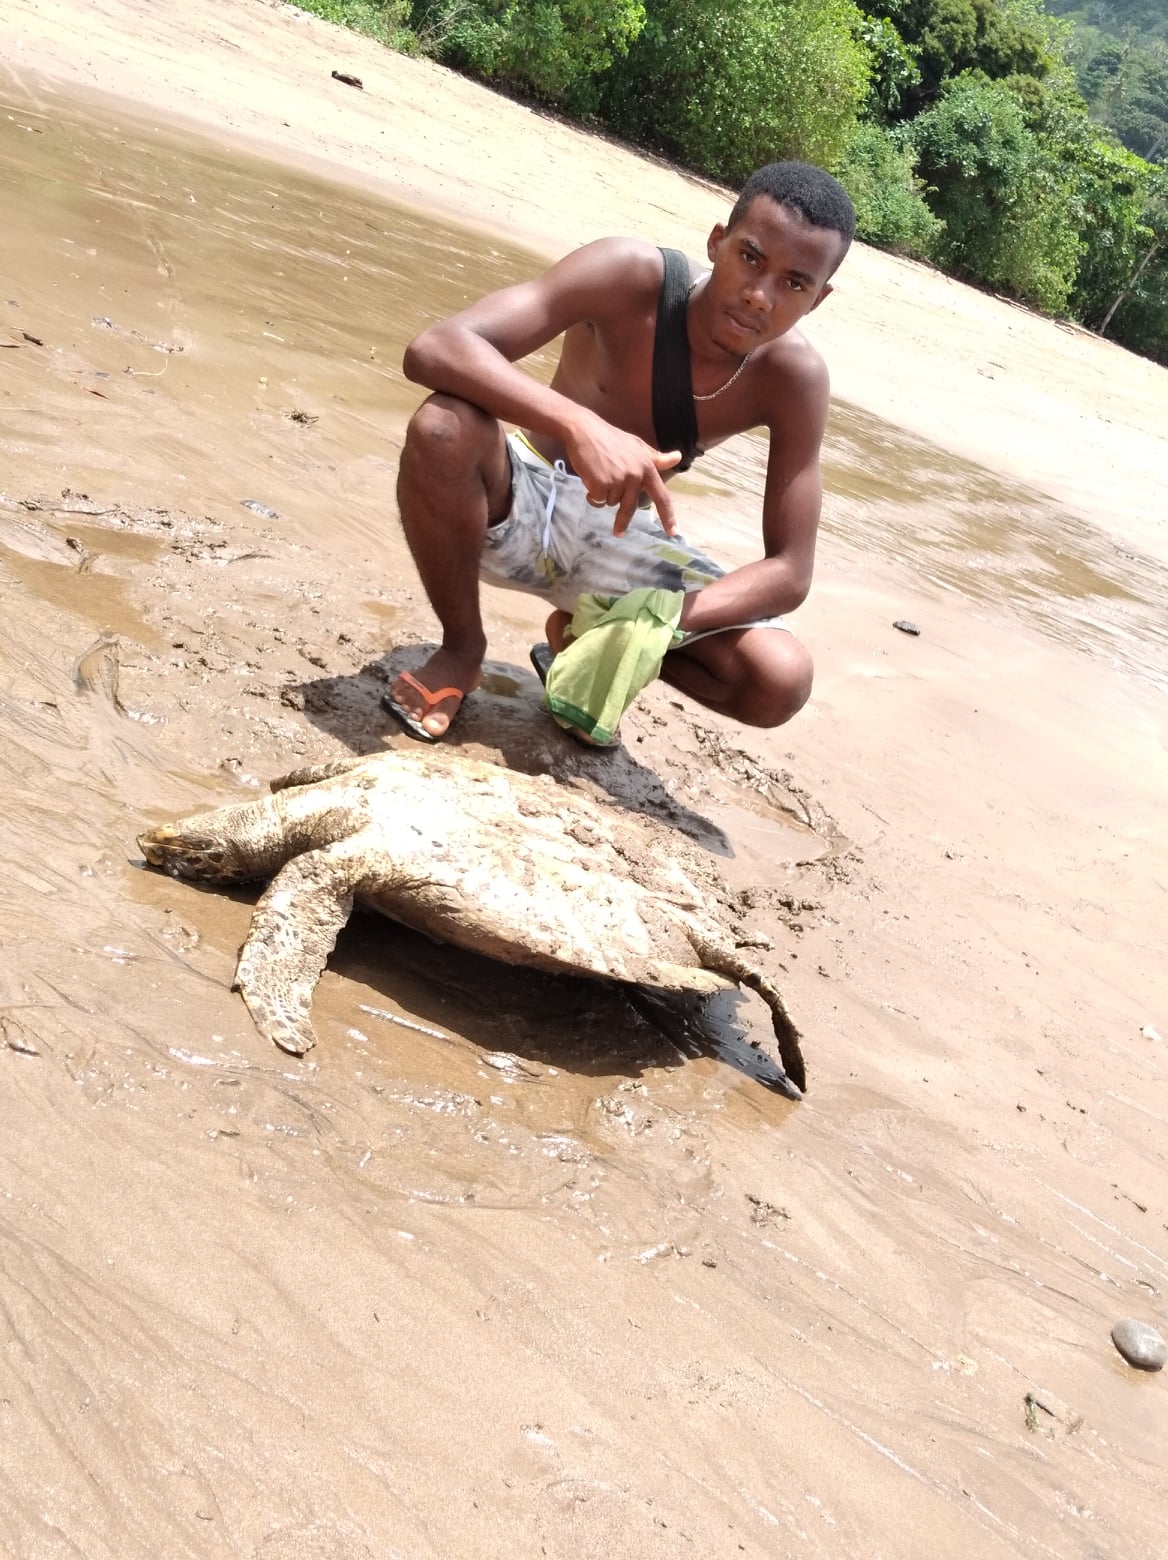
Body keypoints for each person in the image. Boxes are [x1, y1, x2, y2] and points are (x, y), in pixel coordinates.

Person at [381, 160, 856, 744]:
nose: (760, 296)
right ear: (717, 242)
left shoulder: (795, 378)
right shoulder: (628, 275)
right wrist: (580, 425)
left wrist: (656, 618)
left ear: (819, 298)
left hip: (625, 543)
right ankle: (461, 650)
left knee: (780, 680)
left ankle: (581, 645)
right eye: (751, 258)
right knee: (442, 427)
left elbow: (790, 571)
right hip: (518, 497)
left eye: (794, 283)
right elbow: (435, 347)